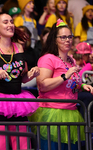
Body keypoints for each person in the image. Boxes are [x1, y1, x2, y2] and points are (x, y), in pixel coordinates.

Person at [0, 12, 40, 150]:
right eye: (5, 22)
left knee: (22, 145)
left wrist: (31, 74)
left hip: (17, 102)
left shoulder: (19, 47)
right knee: (0, 145)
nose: (10, 25)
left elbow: (22, 78)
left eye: (11, 22)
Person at [29, 19, 93, 150]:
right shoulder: (47, 58)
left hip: (71, 112)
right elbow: (43, 85)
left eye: (69, 37)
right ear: (55, 39)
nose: (68, 40)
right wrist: (65, 76)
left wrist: (81, 86)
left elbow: (69, 84)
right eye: (63, 37)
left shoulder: (71, 60)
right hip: (52, 113)